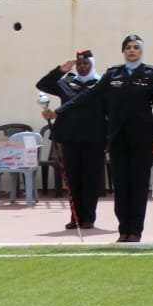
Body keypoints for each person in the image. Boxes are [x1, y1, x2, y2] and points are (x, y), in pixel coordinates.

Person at [53, 35, 153, 243]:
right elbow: (88, 96)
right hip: (118, 138)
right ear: (123, 51)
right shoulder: (113, 73)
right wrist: (60, 111)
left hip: (142, 138)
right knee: (121, 186)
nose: (132, 51)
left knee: (138, 185)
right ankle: (123, 229)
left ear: (141, 51)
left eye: (136, 47)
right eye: (128, 47)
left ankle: (135, 231)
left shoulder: (151, 74)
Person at [36, 49, 106, 231]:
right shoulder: (68, 82)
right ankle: (75, 217)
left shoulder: (101, 84)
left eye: (86, 64)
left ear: (92, 64)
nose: (82, 67)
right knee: (73, 179)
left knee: (90, 179)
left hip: (94, 139)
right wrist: (61, 70)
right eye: (79, 63)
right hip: (70, 138)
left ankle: (89, 217)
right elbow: (42, 84)